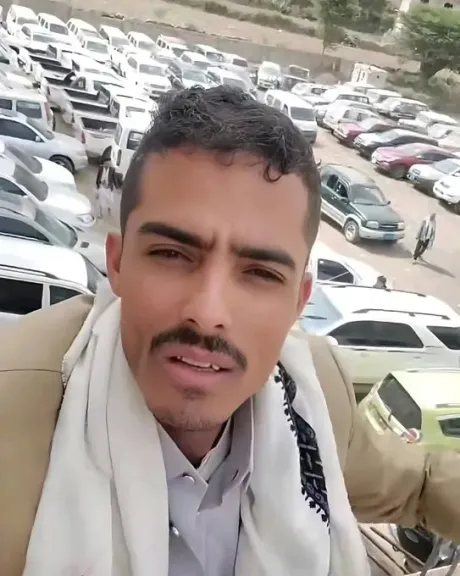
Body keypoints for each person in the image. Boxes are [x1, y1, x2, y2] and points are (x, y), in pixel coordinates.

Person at [0, 86, 459, 576]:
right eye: (171, 255)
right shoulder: (18, 409)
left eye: (260, 274)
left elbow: (420, 483)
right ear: (117, 263)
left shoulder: (315, 398)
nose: (207, 312)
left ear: (298, 301)